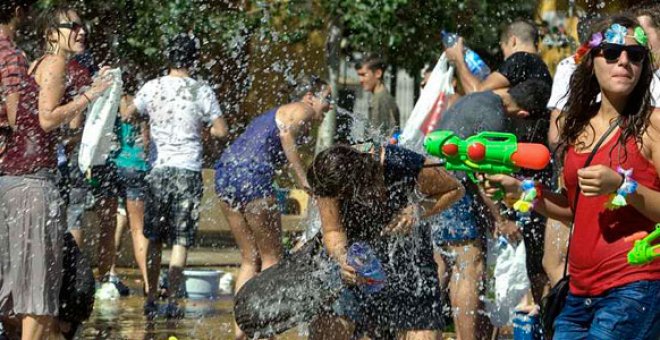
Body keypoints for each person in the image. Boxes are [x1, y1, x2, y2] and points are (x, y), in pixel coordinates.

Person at [485, 15, 660, 339]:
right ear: (591, 59)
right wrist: (524, 191)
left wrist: (622, 185)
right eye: (611, 52)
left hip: (634, 287)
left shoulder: (653, 124)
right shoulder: (576, 126)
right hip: (578, 294)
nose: (623, 61)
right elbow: (573, 210)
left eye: (634, 55)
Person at [0, 5, 111, 338]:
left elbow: (61, 122)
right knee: (37, 294)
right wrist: (91, 94)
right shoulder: (57, 63)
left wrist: (86, 94)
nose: (81, 31)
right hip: (34, 187)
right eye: (71, 26)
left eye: (82, 26)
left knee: (13, 290)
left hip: (11, 184)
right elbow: (48, 118)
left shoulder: (36, 64)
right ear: (51, 33)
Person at [430, 79, 551, 340]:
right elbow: (483, 174)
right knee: (468, 264)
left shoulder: (478, 97)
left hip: (435, 183)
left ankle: (422, 331)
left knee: (440, 266)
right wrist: (502, 218)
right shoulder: (495, 116)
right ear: (523, 114)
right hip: (454, 187)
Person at [214, 75, 332, 339]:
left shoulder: (278, 112)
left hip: (226, 175)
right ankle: (264, 330)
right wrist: (304, 181)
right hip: (253, 178)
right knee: (272, 258)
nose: (331, 106)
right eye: (328, 98)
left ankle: (241, 332)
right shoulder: (302, 108)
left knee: (249, 258)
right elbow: (286, 137)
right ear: (310, 96)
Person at [307, 144, 464, 340]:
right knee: (329, 327)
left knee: (424, 335)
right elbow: (333, 230)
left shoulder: (400, 163)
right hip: (356, 254)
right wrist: (342, 258)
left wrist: (416, 210)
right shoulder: (328, 177)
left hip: (408, 253)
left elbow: (455, 189)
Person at [135, 33, 228, 318]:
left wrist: (147, 124)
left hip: (159, 170)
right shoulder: (201, 91)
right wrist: (209, 130)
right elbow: (221, 130)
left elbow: (130, 111)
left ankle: (151, 297)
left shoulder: (152, 87)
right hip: (188, 171)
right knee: (180, 239)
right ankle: (173, 300)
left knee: (154, 237)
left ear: (169, 58)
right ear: (193, 60)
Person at [445, 20, 552, 94]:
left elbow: (476, 94)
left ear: (513, 41)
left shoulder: (520, 59)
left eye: (503, 48)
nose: (505, 58)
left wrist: (458, 59)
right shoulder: (542, 69)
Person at [355, 55, 400, 136]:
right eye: (359, 75)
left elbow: (382, 139)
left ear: (378, 73)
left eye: (363, 75)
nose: (360, 80)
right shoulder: (379, 97)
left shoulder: (381, 100)